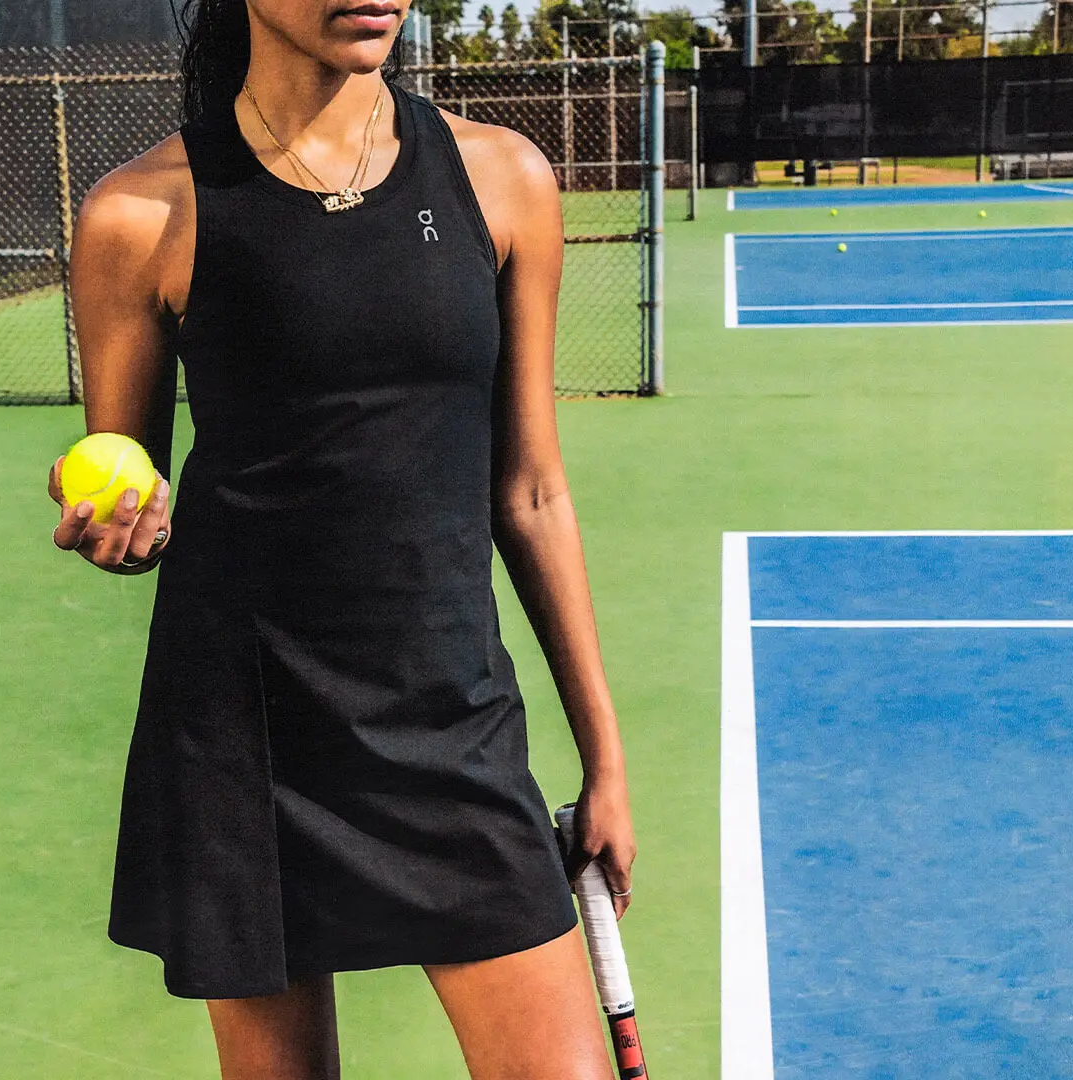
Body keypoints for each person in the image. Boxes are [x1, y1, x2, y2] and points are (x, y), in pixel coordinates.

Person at [41, 0, 637, 1075]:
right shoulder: (139, 212)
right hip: (243, 734)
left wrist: (606, 759)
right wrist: (117, 527)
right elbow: (124, 472)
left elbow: (533, 491)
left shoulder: (503, 177)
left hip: (454, 724)